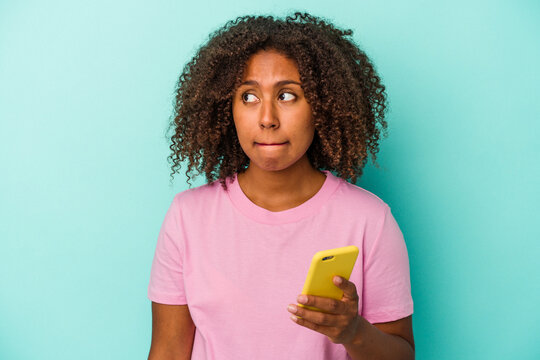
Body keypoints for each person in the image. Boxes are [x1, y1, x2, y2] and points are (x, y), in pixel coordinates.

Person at [147, 12, 414, 360]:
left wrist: (353, 332)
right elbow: (167, 350)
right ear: (226, 109)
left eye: (287, 96)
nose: (267, 118)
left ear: (321, 105)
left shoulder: (370, 221)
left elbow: (402, 354)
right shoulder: (187, 218)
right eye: (248, 97)